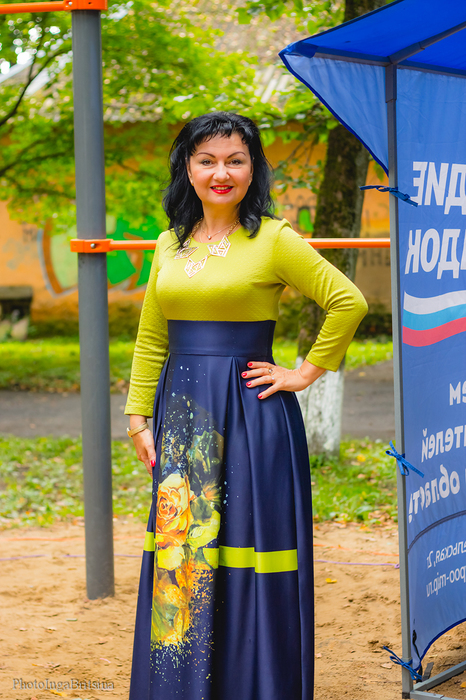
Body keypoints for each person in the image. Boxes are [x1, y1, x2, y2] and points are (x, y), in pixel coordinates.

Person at [124, 111, 367, 700]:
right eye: (207, 160)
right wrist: (137, 414)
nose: (221, 173)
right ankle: (182, 685)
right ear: (187, 168)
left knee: (250, 547)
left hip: (251, 416)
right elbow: (153, 335)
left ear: (252, 168)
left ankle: (252, 683)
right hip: (183, 420)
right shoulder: (169, 243)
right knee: (184, 551)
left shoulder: (273, 238)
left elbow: (348, 301)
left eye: (235, 160)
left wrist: (304, 373)